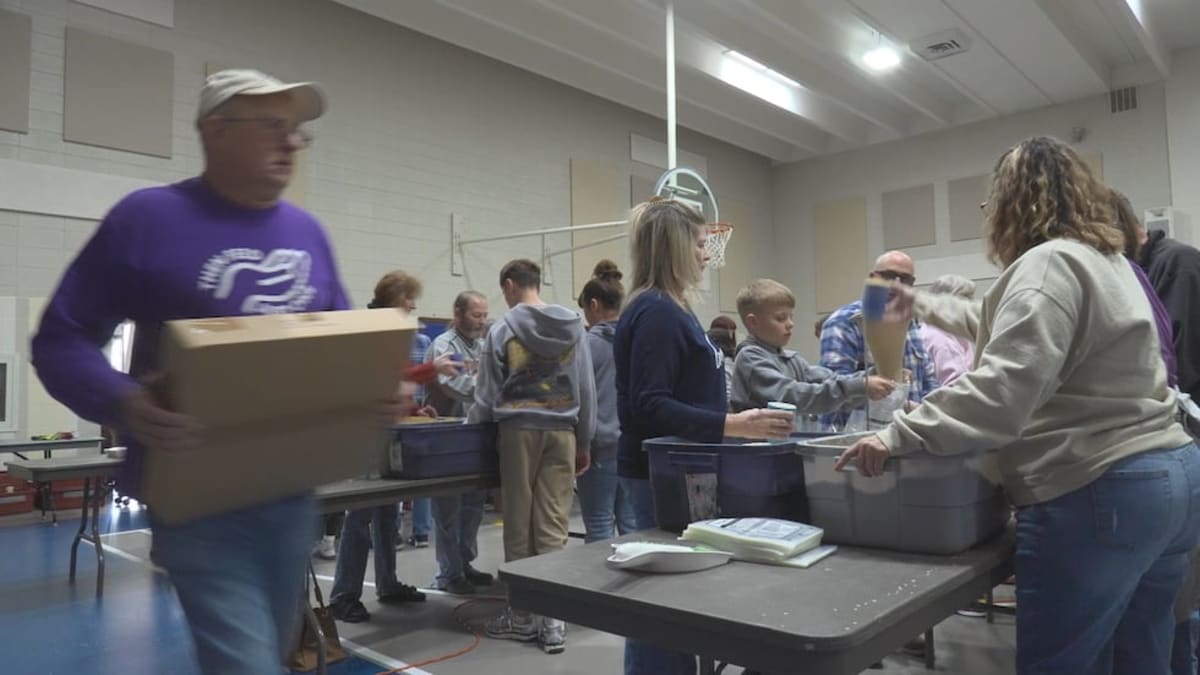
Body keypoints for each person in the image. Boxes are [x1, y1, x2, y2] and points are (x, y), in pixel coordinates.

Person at [30, 69, 410, 674]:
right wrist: (125, 402)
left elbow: (340, 348)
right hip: (196, 495)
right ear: (216, 130)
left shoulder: (307, 233)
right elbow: (61, 340)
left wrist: (374, 391)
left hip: (290, 496)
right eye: (274, 127)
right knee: (245, 662)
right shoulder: (148, 218)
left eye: (297, 132)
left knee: (273, 651)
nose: (291, 143)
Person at [837, 136, 1200, 675]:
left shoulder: (1049, 264)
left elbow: (1002, 393)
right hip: (1171, 479)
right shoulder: (1107, 261)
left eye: (991, 200)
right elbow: (996, 316)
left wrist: (898, 434)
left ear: (1014, 199)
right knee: (1140, 657)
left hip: (1099, 488)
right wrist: (915, 302)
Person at [614, 200, 794, 675]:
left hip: (678, 469)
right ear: (675, 247)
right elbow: (648, 404)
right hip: (659, 473)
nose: (705, 253)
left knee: (674, 603)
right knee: (661, 606)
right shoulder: (656, 311)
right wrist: (733, 425)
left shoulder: (672, 309)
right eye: (698, 243)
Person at [470, 259, 597, 654]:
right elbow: (586, 387)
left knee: (519, 525)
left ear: (509, 285)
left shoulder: (502, 328)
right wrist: (585, 440)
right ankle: (553, 622)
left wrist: (473, 432)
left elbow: (487, 393)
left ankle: (523, 617)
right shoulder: (574, 326)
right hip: (562, 431)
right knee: (553, 525)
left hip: (517, 432)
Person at [329, 271, 462, 624]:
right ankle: (343, 595)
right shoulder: (369, 334)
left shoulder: (391, 335)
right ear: (393, 301)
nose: (414, 308)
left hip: (388, 433)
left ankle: (387, 583)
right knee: (360, 516)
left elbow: (394, 387)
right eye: (409, 302)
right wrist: (432, 369)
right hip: (365, 435)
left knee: (387, 515)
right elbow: (381, 381)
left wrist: (416, 409)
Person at [731, 278, 894, 413]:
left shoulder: (792, 359)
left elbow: (832, 381)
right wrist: (858, 386)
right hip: (756, 450)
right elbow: (792, 396)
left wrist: (875, 375)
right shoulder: (750, 358)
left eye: (791, 317)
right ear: (753, 322)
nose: (790, 324)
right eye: (781, 318)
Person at [819, 250, 938, 430]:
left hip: (906, 437)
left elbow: (930, 384)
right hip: (855, 440)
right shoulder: (844, 323)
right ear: (873, 278)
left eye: (904, 279)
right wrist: (902, 405)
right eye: (889, 276)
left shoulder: (911, 323)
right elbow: (833, 392)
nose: (896, 284)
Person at [425, 290, 494, 595]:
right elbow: (454, 385)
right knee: (448, 510)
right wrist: (489, 388)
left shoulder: (481, 345)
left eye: (483, 315)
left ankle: (465, 563)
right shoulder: (443, 345)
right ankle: (448, 573)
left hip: (475, 434)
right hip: (447, 436)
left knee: (473, 507)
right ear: (458, 313)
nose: (481, 321)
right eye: (476, 315)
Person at [576, 260, 637, 543]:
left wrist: (582, 443)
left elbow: (583, 397)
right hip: (632, 444)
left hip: (599, 446)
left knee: (599, 523)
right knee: (631, 523)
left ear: (594, 305)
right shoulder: (636, 342)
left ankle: (598, 585)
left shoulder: (588, 345)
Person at [918, 275, 977, 385]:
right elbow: (955, 383)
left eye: (971, 298)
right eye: (965, 298)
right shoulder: (939, 334)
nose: (970, 304)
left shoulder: (955, 331)